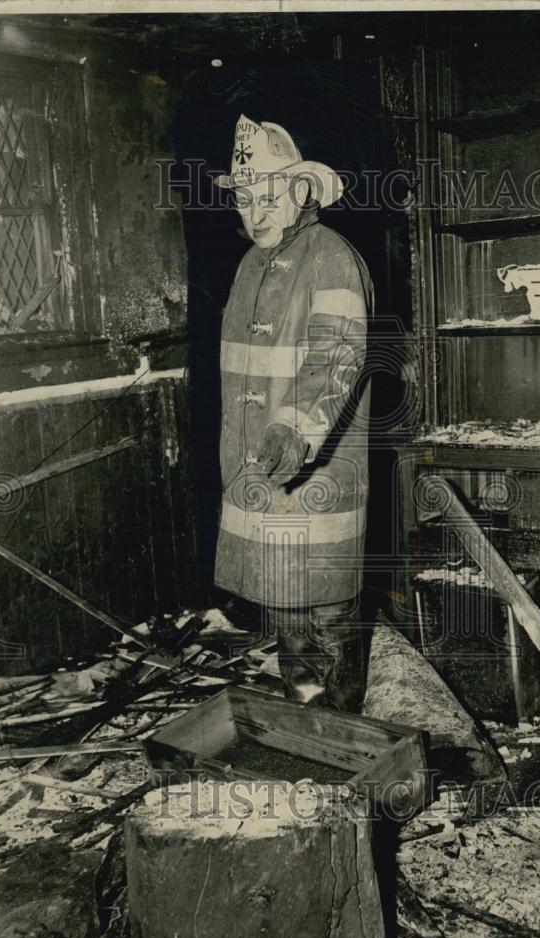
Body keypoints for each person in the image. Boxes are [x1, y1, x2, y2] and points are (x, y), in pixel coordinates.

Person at [213, 114, 373, 713]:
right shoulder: (250, 265)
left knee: (326, 608)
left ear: (303, 190)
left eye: (269, 196)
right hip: (263, 473)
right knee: (286, 608)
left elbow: (338, 356)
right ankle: (305, 720)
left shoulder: (330, 258)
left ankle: (338, 728)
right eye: (246, 199)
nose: (256, 212)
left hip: (314, 472)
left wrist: (295, 430)